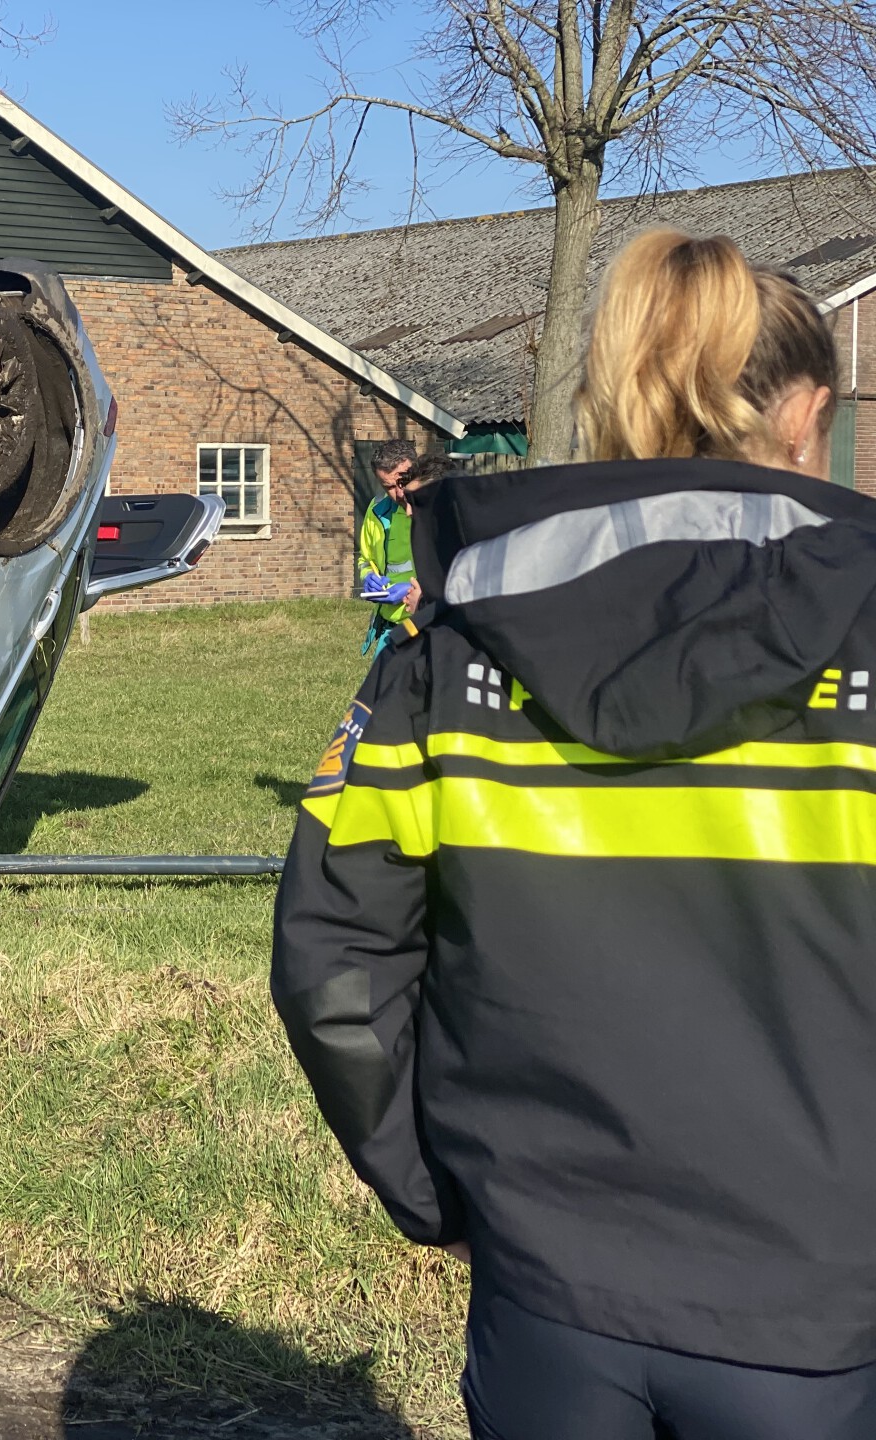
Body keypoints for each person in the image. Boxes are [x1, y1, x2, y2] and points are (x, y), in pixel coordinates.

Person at [273, 229, 876, 1438]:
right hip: (819, 1314)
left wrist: (433, 1186)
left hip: (547, 1293)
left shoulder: (447, 645)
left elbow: (335, 964)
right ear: (808, 416)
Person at [356, 439, 420, 655]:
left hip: (428, 623)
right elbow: (366, 560)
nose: (398, 493)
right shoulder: (376, 511)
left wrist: (415, 590)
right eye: (388, 487)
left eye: (402, 482)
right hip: (390, 628)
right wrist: (368, 578)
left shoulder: (436, 508)